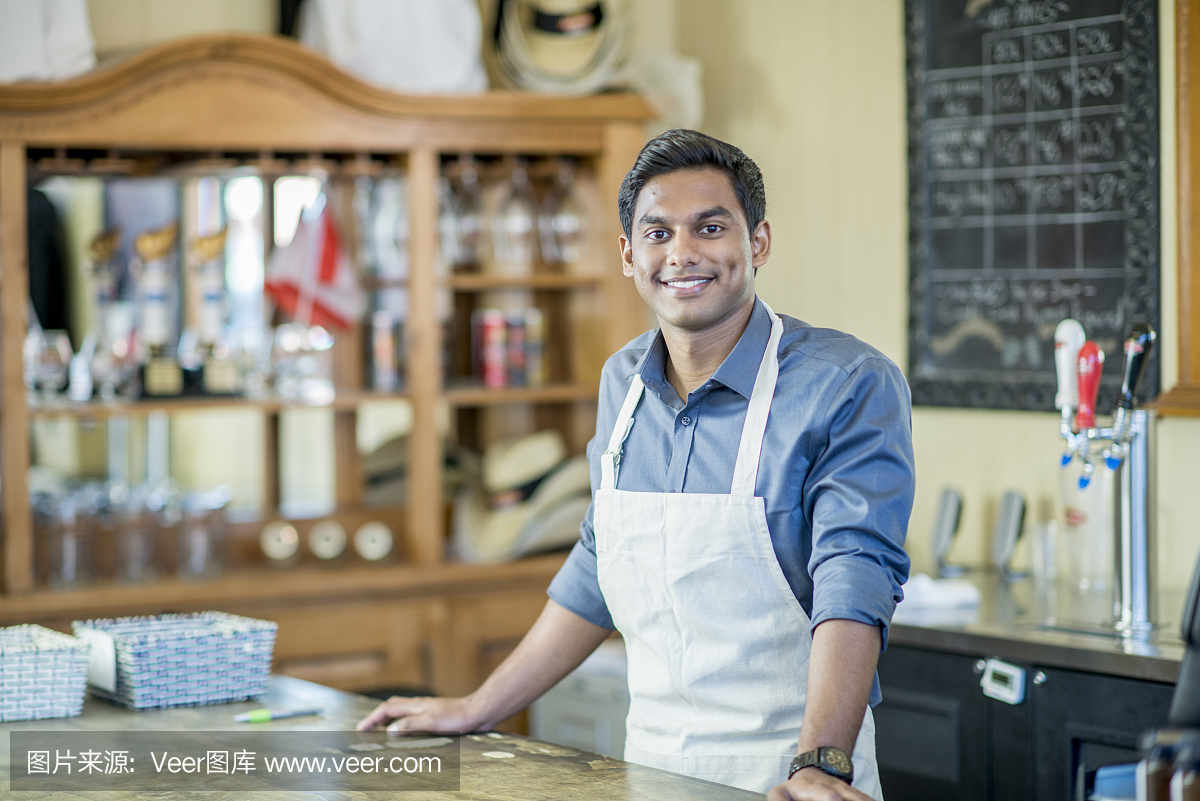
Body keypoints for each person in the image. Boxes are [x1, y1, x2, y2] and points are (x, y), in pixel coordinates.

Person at [358, 129, 914, 801]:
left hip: (787, 776)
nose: (683, 253)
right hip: (650, 769)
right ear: (628, 254)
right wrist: (479, 705)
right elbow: (597, 566)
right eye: (658, 233)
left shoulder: (848, 381)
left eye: (710, 227)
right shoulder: (622, 381)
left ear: (757, 241)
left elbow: (855, 580)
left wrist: (822, 760)